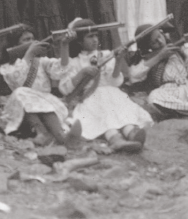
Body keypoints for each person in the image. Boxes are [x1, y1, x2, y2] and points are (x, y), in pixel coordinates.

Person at [58, 19, 153, 153]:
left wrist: (118, 61)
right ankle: (115, 139)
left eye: (96, 35)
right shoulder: (75, 62)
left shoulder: (107, 54)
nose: (95, 39)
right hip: (91, 98)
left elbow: (115, 82)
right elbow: (65, 88)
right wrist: (82, 73)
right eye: (90, 36)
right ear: (79, 41)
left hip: (112, 93)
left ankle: (131, 132)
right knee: (103, 111)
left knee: (119, 109)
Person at [0, 29, 81, 146]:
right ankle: (41, 133)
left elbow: (61, 70)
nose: (32, 42)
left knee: (47, 107)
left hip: (45, 104)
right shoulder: (7, 67)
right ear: (15, 45)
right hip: (22, 111)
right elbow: (16, 79)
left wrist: (64, 45)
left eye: (32, 38)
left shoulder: (41, 62)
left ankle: (62, 137)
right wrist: (29, 55)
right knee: (20, 93)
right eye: (26, 40)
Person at [129, 25, 188, 119]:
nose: (160, 41)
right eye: (155, 42)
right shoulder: (150, 57)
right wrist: (160, 56)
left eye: (159, 36)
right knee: (154, 97)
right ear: (148, 46)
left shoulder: (182, 48)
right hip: (168, 90)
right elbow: (134, 75)